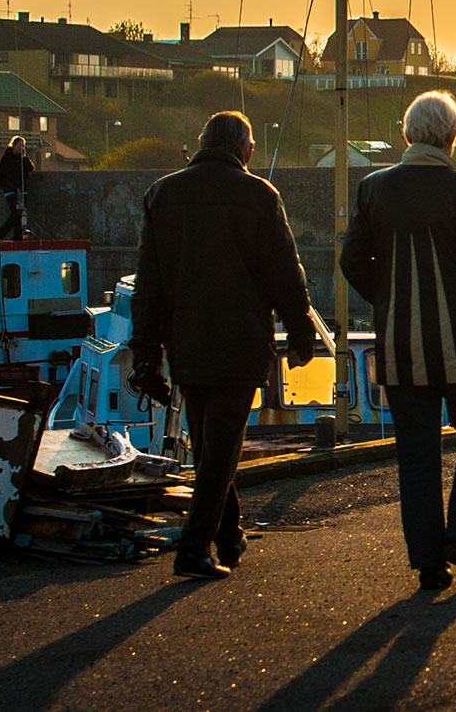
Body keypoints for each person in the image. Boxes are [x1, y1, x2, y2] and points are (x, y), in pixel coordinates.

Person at [131, 111, 316, 580]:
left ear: (202, 143)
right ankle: (193, 550)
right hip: (239, 344)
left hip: (186, 344)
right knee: (222, 450)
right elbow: (285, 276)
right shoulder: (259, 196)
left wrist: (147, 354)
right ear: (246, 150)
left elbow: (147, 286)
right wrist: (301, 335)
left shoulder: (162, 195)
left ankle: (229, 537)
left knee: (212, 449)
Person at [340, 90, 456, 591]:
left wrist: (388, 298)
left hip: (399, 345)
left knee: (416, 452)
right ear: (452, 136)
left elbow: (352, 261)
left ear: (407, 133)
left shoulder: (373, 188)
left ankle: (428, 562)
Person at [0, 136, 34, 240]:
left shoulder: (22, 159)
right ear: (14, 145)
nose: (21, 148)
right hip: (11, 191)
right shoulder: (6, 158)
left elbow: (30, 169)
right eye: (19, 145)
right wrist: (9, 187)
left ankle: (17, 236)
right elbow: (0, 177)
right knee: (16, 212)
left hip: (22, 190)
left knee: (20, 213)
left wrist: (24, 158)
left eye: (23, 146)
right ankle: (3, 230)